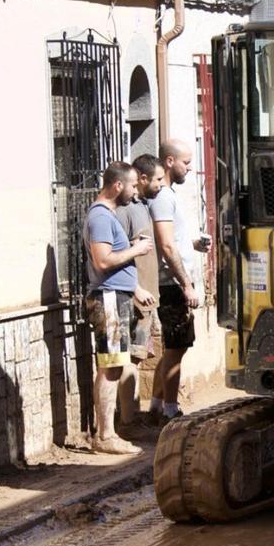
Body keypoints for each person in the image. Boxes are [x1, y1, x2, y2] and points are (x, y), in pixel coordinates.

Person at [83, 162, 155, 454]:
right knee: (111, 365)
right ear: (117, 186)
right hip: (109, 298)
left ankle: (106, 433)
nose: (136, 191)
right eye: (133, 186)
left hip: (117, 296)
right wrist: (135, 250)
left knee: (112, 364)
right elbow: (102, 261)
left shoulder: (108, 216)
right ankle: (105, 435)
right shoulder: (100, 217)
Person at [150, 139, 211, 421]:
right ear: (170, 161)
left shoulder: (168, 194)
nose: (189, 168)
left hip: (175, 280)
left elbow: (174, 240)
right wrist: (186, 284)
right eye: (186, 162)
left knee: (175, 346)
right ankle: (169, 410)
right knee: (176, 346)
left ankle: (155, 404)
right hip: (171, 283)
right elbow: (166, 245)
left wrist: (194, 243)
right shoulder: (162, 196)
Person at [114, 154, 165, 429]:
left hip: (146, 298)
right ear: (142, 179)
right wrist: (135, 289)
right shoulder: (126, 210)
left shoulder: (143, 205)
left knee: (136, 357)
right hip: (134, 297)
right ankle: (128, 420)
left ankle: (132, 417)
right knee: (129, 359)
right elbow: (116, 253)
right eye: (157, 179)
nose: (160, 185)